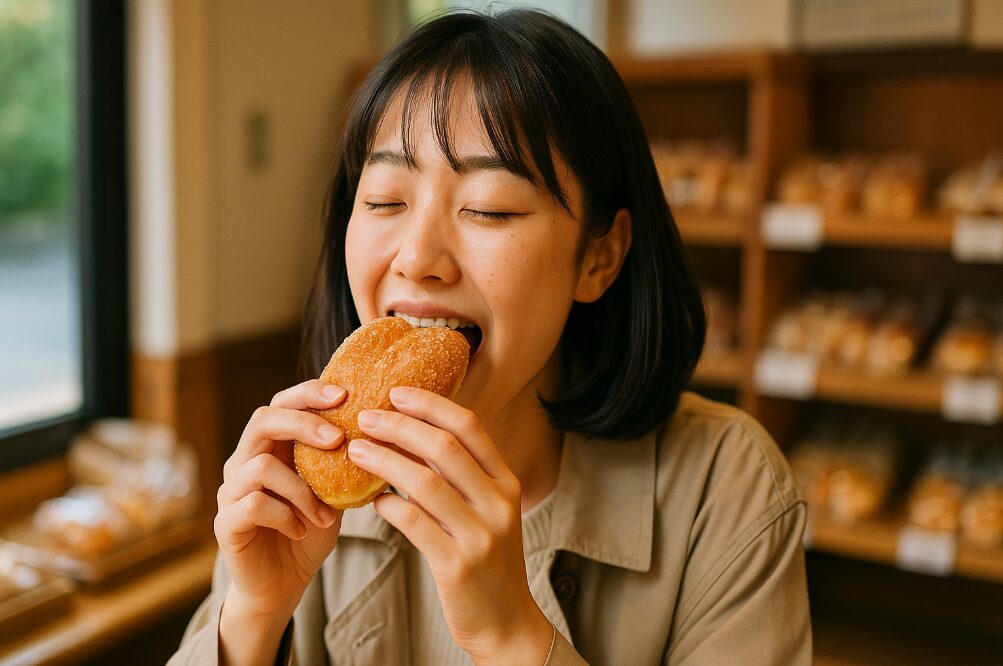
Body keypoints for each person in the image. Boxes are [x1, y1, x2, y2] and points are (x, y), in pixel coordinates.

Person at [170, 8, 810, 665]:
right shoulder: (308, 489)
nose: (417, 257)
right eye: (386, 200)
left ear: (599, 257)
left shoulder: (725, 489)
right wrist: (252, 618)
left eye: (488, 208)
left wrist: (512, 637)